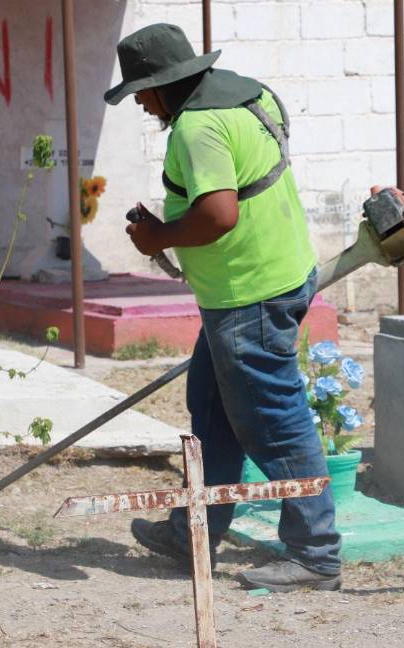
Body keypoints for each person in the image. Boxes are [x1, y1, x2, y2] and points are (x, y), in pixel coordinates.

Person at [104, 23, 343, 592]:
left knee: (272, 421)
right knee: (211, 408)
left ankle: (316, 555)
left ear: (166, 84)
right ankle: (195, 530)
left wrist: (158, 238)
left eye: (141, 89)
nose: (139, 102)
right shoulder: (248, 95)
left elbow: (218, 215)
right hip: (268, 278)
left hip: (249, 295)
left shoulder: (196, 127)